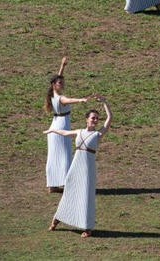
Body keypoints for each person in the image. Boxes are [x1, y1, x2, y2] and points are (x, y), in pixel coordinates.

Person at [46, 97, 112, 238]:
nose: (95, 120)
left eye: (96, 119)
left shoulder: (97, 134)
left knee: (87, 196)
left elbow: (109, 119)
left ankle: (87, 228)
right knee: (69, 191)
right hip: (76, 166)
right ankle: (56, 220)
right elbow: (64, 132)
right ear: (86, 119)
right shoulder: (79, 131)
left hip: (88, 169)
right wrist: (52, 131)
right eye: (93, 118)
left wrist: (104, 102)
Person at [44, 57, 92, 192]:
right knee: (65, 155)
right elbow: (68, 100)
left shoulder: (52, 94)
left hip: (55, 126)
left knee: (54, 156)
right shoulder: (60, 98)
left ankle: (53, 185)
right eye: (60, 83)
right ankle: (66, 183)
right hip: (61, 127)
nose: (62, 84)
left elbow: (58, 78)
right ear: (54, 85)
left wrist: (62, 66)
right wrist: (81, 100)